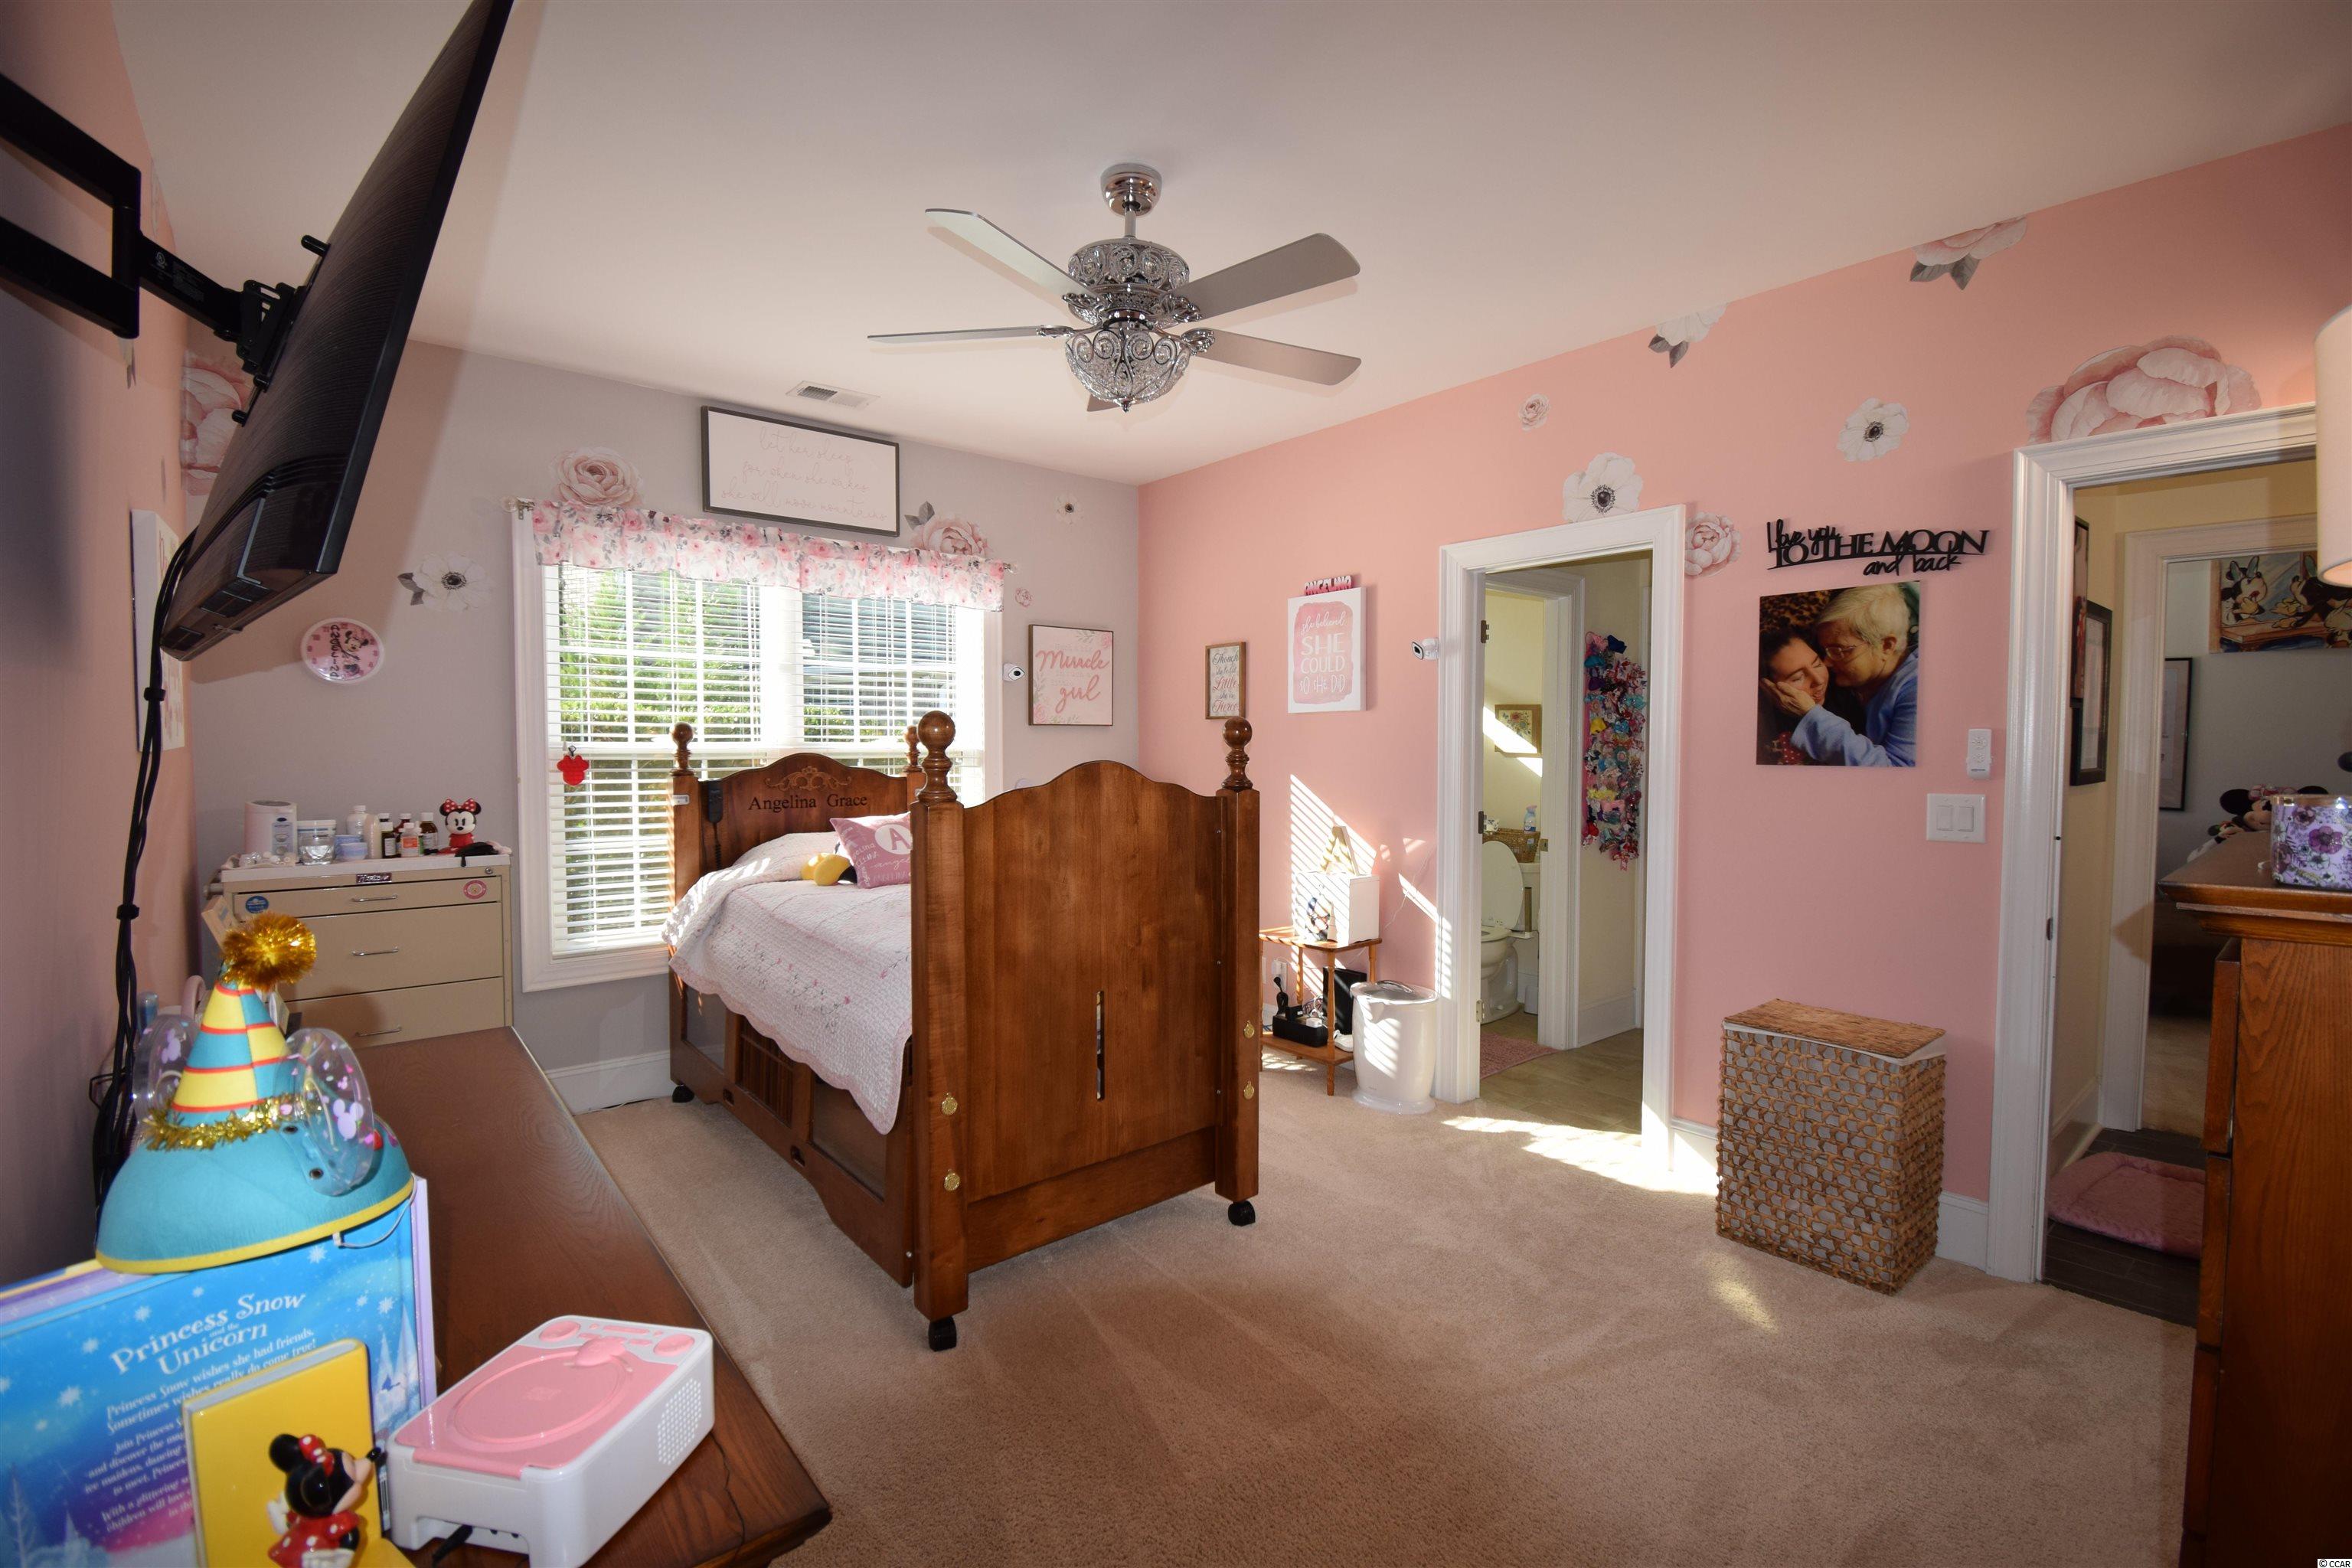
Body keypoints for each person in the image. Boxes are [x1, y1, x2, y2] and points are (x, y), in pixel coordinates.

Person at [1761, 583, 1919, 766]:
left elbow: (1895, 771)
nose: (1827, 664)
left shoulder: (1918, 690)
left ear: (1886, 646)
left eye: (1838, 651)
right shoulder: (1851, 679)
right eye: (1824, 651)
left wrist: (1811, 716)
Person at [1756, 626, 1860, 765]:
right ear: (1767, 687)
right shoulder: (1757, 727)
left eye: (1817, 665)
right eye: (1798, 677)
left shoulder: (1847, 700)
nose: (1819, 680)